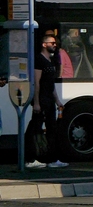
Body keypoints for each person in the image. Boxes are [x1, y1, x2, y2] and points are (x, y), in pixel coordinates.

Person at [26, 35, 68, 169]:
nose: (54, 45)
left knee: (52, 129)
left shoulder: (49, 60)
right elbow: (36, 83)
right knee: (35, 128)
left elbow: (51, 84)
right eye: (52, 43)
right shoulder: (39, 60)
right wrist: (36, 102)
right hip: (42, 100)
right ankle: (30, 159)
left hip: (49, 100)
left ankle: (52, 159)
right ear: (44, 44)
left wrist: (57, 101)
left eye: (55, 43)